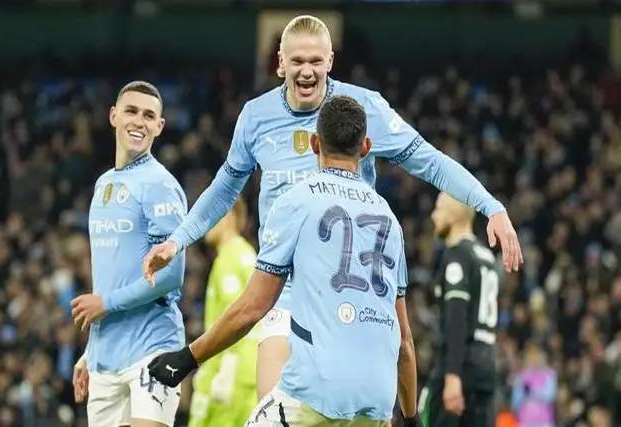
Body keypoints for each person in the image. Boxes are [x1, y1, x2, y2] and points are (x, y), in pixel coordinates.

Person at [143, 15, 523, 398]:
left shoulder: (361, 108)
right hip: (283, 288)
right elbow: (225, 187)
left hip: (348, 292)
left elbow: (429, 160)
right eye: (297, 61)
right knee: (271, 408)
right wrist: (178, 240)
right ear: (280, 63)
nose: (307, 71)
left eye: (315, 61)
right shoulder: (256, 117)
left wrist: (490, 206)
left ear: (330, 61)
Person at [147, 96, 419, 426]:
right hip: (377, 401)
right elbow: (404, 339)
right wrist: (412, 418)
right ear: (365, 148)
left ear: (315, 144)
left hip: (317, 393)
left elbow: (254, 307)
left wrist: (188, 357)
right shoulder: (390, 221)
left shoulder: (298, 200)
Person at [70, 81, 187, 427]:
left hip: (153, 346)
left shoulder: (160, 184)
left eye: (149, 116)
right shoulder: (103, 184)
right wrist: (91, 351)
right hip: (106, 357)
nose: (139, 121)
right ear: (113, 116)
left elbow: (171, 275)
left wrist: (105, 304)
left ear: (159, 126)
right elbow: (110, 275)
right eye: (131, 111)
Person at [418, 193, 500, 427]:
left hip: (459, 369)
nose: (434, 216)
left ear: (455, 213)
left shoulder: (457, 256)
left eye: (439, 208)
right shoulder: (486, 256)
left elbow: (457, 320)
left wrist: (452, 375)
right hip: (485, 370)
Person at [189, 197, 259, 427]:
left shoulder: (229, 259)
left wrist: (224, 370)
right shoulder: (247, 253)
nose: (206, 223)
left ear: (227, 216)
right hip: (248, 373)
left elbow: (236, 318)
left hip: (229, 373)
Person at [510, 343, 557, 427]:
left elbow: (550, 396)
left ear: (542, 356)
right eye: (531, 356)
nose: (534, 359)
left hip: (544, 420)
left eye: (536, 355)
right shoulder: (521, 376)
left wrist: (531, 392)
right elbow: (516, 401)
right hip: (525, 419)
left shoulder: (549, 374)